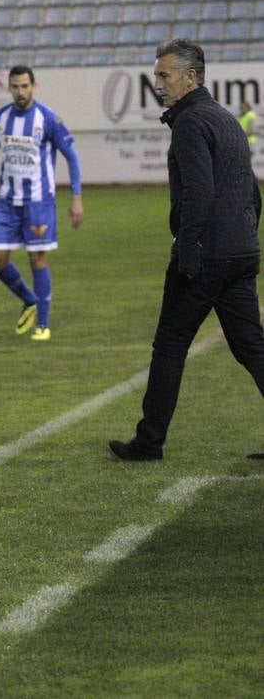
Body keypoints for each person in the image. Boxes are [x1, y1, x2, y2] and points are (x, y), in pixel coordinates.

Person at [110, 39, 264, 462]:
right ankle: (148, 440)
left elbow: (199, 192)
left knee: (171, 344)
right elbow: (252, 190)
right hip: (241, 252)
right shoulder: (226, 119)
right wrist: (245, 236)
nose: (158, 84)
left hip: (207, 256)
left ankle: (149, 443)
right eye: (156, 76)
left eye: (165, 75)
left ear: (191, 77)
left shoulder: (191, 123)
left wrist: (189, 246)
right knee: (252, 347)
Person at [0, 65, 84, 341]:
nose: (20, 92)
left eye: (24, 86)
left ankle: (43, 324)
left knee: (37, 259)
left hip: (38, 202)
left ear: (34, 86)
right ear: (9, 88)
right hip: (7, 202)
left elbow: (71, 156)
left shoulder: (48, 118)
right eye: (15, 87)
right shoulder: (1, 118)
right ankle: (29, 300)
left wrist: (76, 197)